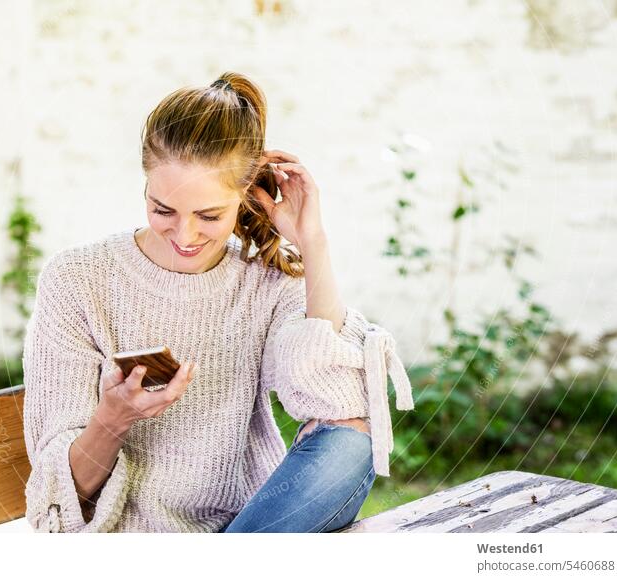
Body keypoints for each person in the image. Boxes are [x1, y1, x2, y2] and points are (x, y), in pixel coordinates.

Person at [22, 72, 415, 533]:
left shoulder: (262, 282)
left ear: (247, 195)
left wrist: (313, 242)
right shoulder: (78, 280)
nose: (184, 236)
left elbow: (337, 405)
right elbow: (61, 500)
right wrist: (114, 417)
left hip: (245, 528)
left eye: (209, 215)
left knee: (351, 442)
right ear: (145, 184)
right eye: (162, 209)